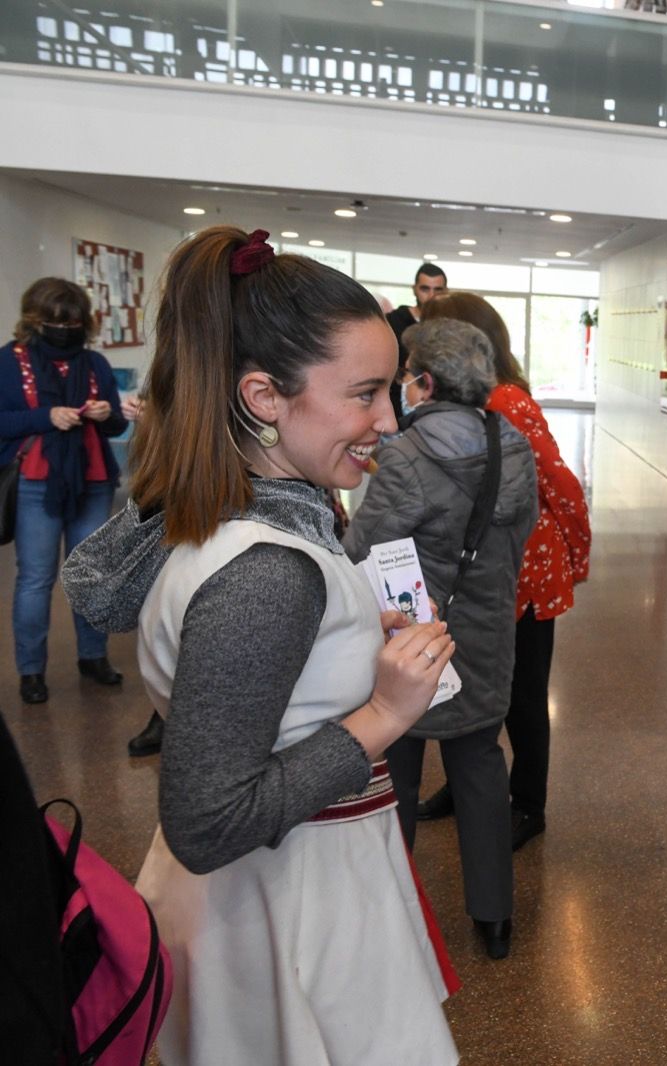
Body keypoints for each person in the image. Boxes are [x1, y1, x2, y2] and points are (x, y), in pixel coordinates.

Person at [60, 226, 461, 1064]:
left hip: (263, 897)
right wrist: (385, 712)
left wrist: (343, 647)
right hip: (284, 910)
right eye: (366, 393)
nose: (388, 420)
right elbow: (209, 819)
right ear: (264, 396)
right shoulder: (271, 573)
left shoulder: (242, 524)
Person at [344, 317, 537, 961]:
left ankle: (393, 909)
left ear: (422, 382)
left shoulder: (406, 455)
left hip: (411, 637)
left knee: (394, 767)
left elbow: (361, 548)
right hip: (484, 636)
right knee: (481, 764)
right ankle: (495, 917)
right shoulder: (513, 442)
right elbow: (521, 532)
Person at [413, 292, 591, 849]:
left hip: (523, 571)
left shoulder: (507, 401)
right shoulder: (448, 403)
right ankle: (463, 786)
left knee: (522, 695)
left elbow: (558, 483)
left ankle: (528, 804)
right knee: (460, 683)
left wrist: (576, 557)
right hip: (472, 572)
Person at [0, 278, 127, 705]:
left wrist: (108, 415)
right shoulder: (8, 361)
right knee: (36, 579)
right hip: (37, 482)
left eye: (73, 321)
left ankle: (93, 656)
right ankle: (30, 671)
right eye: (57, 321)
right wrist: (45, 416)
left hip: (92, 482)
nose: (66, 328)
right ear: (36, 321)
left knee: (90, 575)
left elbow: (117, 427)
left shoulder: (95, 364)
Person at [386, 263, 447, 414]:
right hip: (396, 405)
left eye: (437, 289)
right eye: (425, 288)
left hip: (437, 407)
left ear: (445, 291)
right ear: (415, 289)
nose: (431, 295)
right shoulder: (393, 321)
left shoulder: (449, 328)